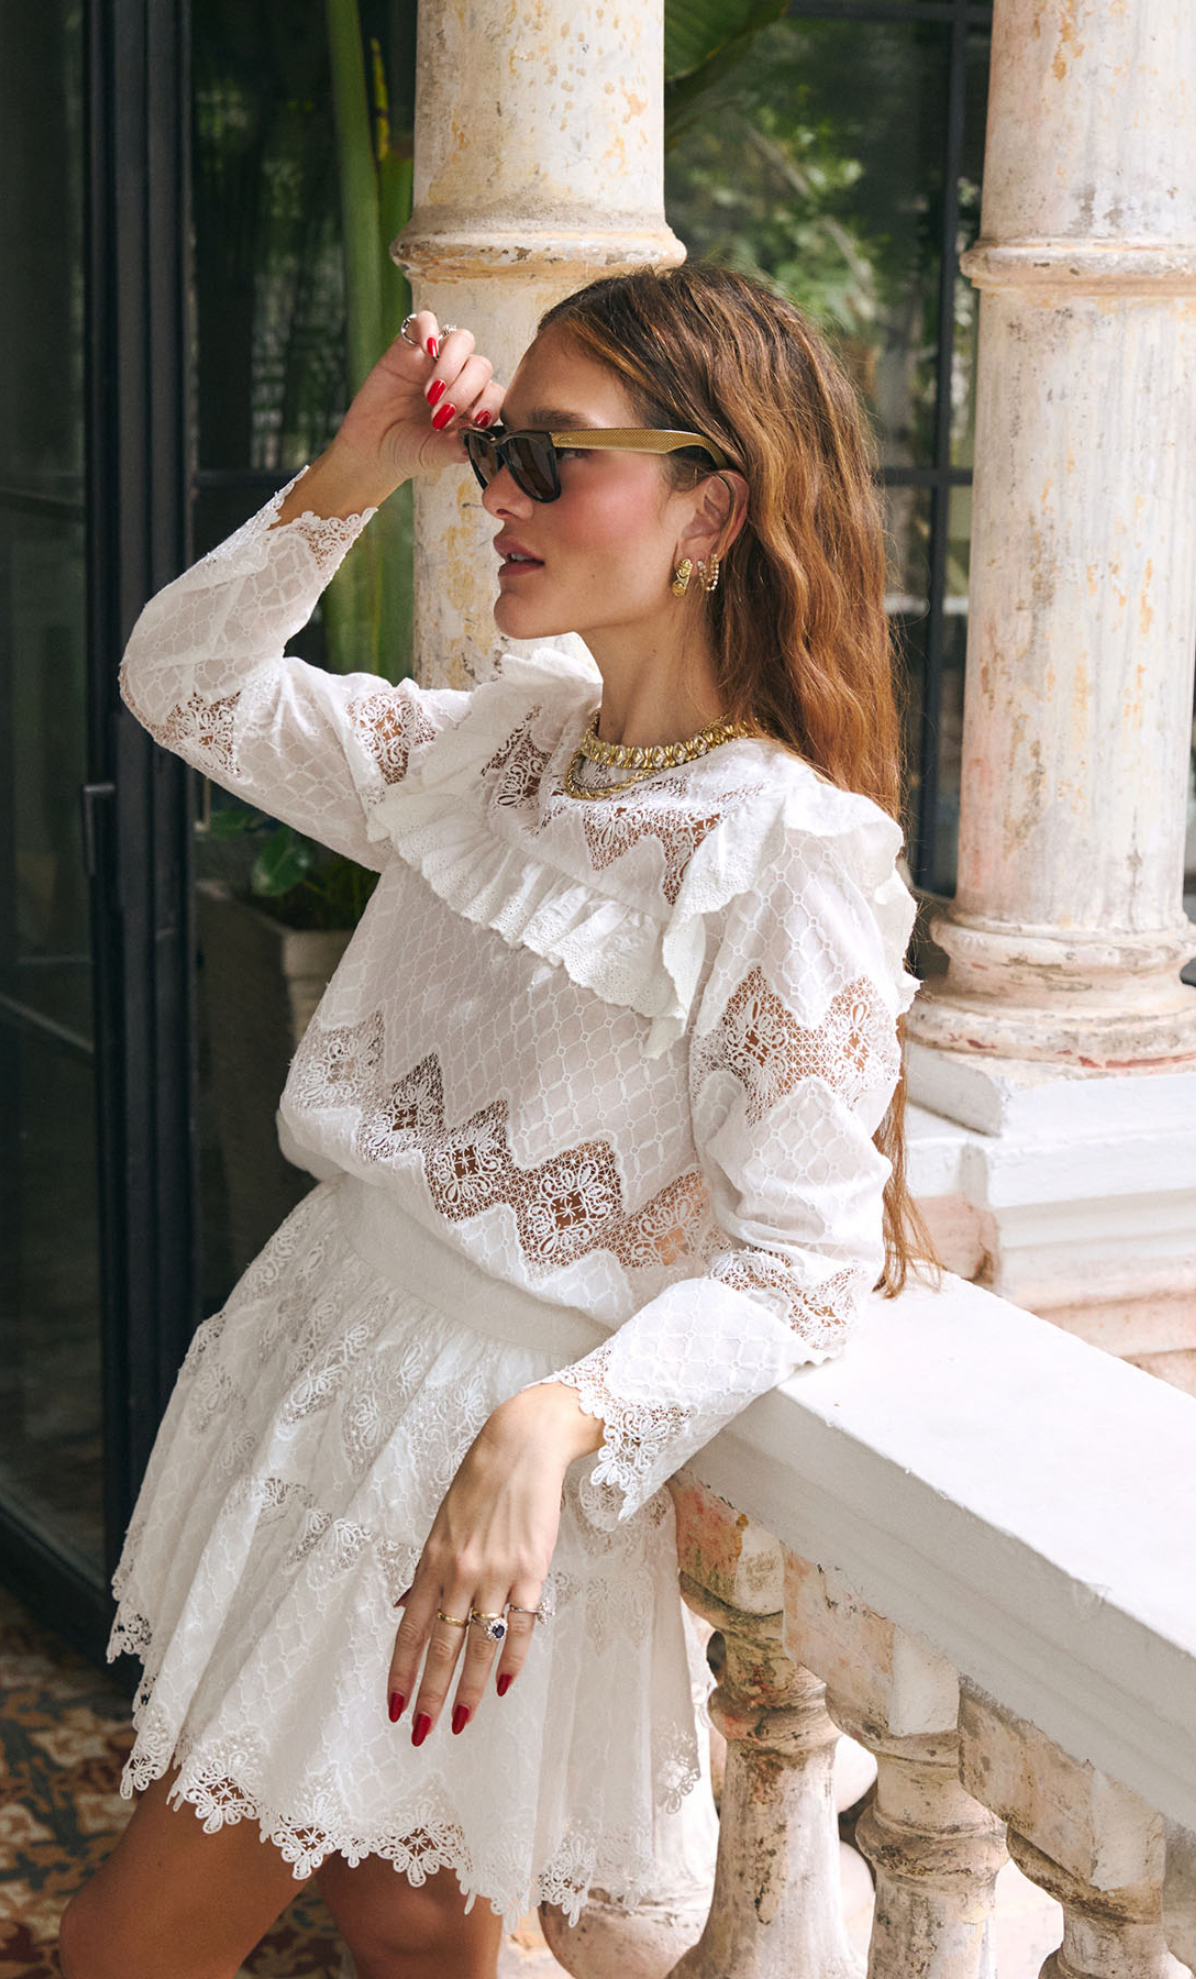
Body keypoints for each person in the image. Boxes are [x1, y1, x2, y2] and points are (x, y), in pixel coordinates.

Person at [59, 264, 938, 1979]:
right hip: (329, 1357)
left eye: (554, 455)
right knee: (416, 1920)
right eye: (495, 449)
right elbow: (183, 681)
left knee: (125, 1948)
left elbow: (804, 1258)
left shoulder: (787, 851)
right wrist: (354, 470)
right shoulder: (507, 743)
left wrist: (557, 1419)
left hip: (455, 1463)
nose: (501, 495)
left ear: (713, 509)